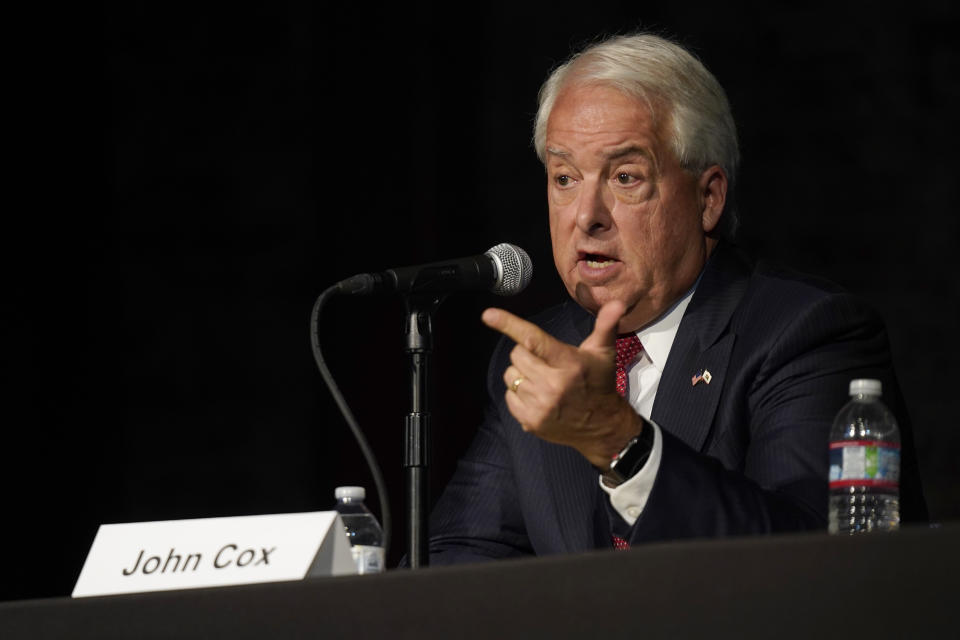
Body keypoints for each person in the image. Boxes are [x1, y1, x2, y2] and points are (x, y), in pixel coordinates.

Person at [427, 33, 925, 563]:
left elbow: (814, 560)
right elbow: (460, 558)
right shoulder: (541, 356)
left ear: (707, 199)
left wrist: (621, 443)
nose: (585, 215)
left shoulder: (805, 334)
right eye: (565, 178)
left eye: (624, 177)